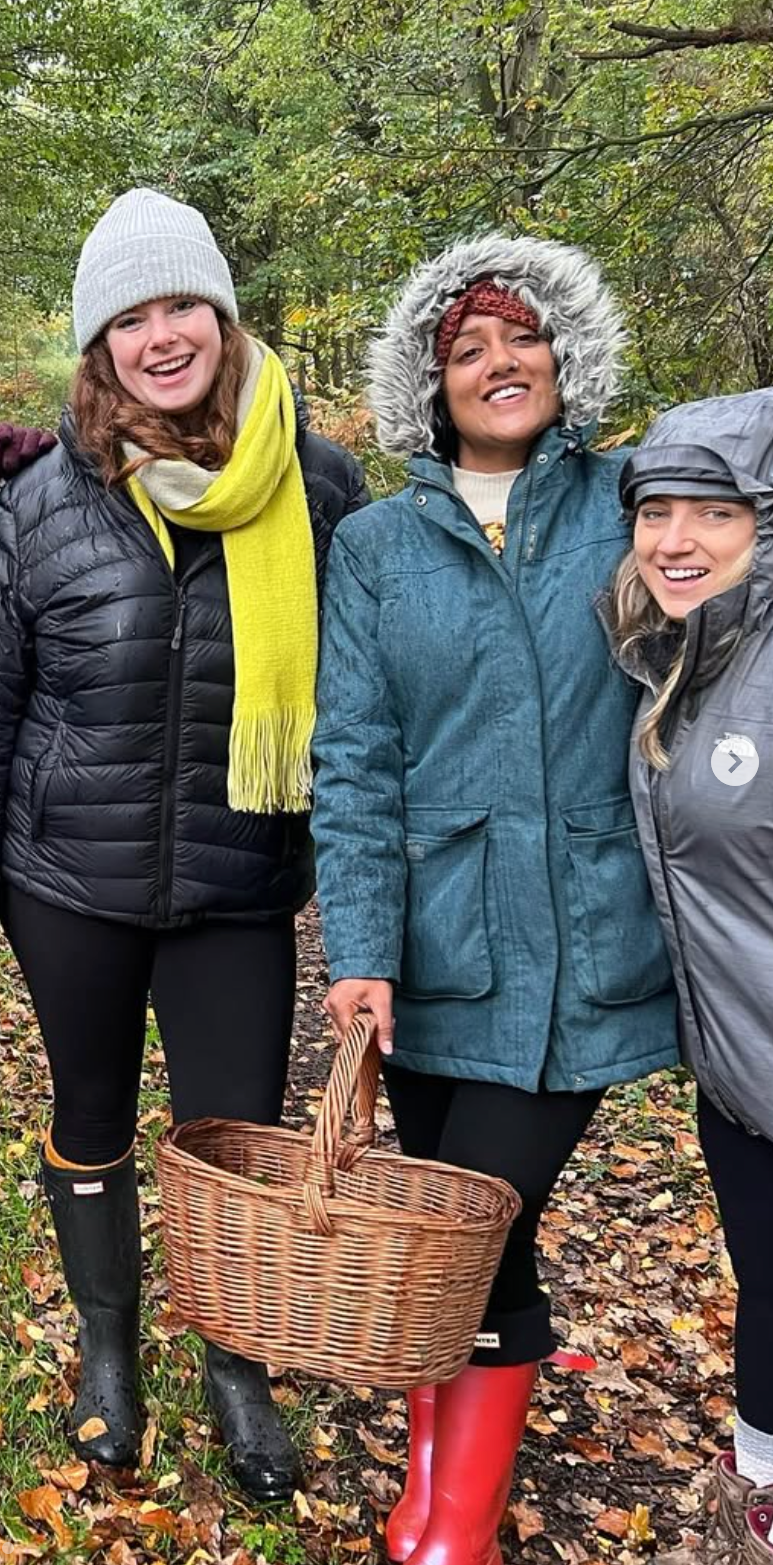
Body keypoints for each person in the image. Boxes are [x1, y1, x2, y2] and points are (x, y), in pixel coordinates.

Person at [0, 188, 366, 1499]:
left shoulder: (320, 485)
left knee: (236, 1140)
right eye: (131, 315)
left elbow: (377, 701)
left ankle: (235, 1362)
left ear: (222, 318)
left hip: (239, 884)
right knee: (93, 1118)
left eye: (182, 305)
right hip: (73, 883)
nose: (160, 335)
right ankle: (110, 1351)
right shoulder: (41, 506)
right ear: (97, 344)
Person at [311, 236, 678, 1563]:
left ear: (565, 354)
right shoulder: (377, 543)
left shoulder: (637, 499)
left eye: (521, 337)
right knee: (455, 1243)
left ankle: (453, 1528)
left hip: (584, 942)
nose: (498, 362)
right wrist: (360, 948)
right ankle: (432, 1489)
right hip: (436, 945)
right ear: (430, 381)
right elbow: (352, 760)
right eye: (467, 347)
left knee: (478, 1226)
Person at [606, 391, 773, 1562]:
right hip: (737, 1079)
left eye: (712, 511)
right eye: (654, 509)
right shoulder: (678, 656)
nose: (674, 537)